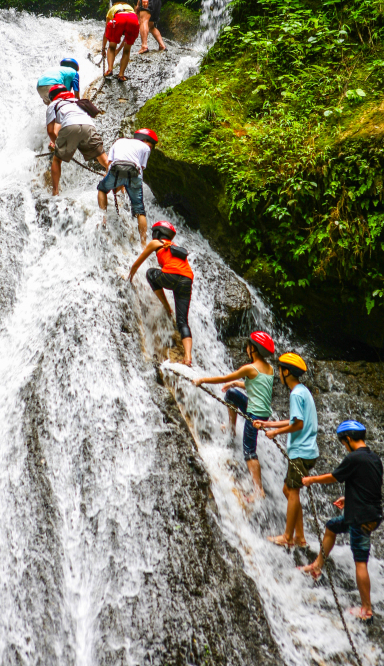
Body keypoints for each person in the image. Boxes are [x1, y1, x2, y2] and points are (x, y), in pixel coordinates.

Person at [298, 419, 383, 622]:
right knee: (331, 526)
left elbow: (334, 477)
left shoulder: (354, 458)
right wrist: (349, 498)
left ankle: (366, 609)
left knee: (360, 562)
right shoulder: (374, 458)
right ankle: (317, 566)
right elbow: (369, 485)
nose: (343, 446)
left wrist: (311, 479)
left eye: (343, 442)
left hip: (360, 519)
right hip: (370, 513)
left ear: (348, 439)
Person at [193, 331, 275, 501]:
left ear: (253, 349)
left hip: (255, 416)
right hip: (262, 412)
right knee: (231, 394)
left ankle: (258, 490)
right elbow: (256, 387)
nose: (246, 348)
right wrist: (236, 384)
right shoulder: (269, 368)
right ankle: (231, 427)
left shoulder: (249, 368)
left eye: (248, 346)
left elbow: (224, 377)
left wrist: (202, 380)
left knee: (249, 452)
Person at [254, 353, 318, 548]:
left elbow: (297, 425)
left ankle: (288, 537)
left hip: (301, 452)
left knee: (292, 492)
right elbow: (294, 420)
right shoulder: (302, 391)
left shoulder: (296, 394)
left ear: (286, 372)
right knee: (287, 489)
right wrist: (269, 424)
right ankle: (300, 537)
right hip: (306, 451)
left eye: (280, 370)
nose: (279, 374)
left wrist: (276, 433)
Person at [128, 220, 194, 366]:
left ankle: (165, 305)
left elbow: (138, 262)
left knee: (151, 273)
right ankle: (188, 358)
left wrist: (130, 276)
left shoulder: (156, 243)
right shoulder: (175, 247)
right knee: (183, 321)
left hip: (170, 276)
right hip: (187, 280)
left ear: (157, 232)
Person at [97, 129, 158, 245]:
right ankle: (143, 244)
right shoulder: (145, 148)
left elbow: (110, 164)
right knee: (139, 209)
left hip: (116, 171)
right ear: (145, 140)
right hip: (134, 175)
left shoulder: (119, 141)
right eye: (151, 144)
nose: (151, 147)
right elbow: (141, 167)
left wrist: (114, 182)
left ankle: (103, 219)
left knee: (102, 189)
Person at [46, 84, 108, 195]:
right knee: (102, 156)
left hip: (70, 126)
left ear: (52, 97)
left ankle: (55, 191)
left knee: (57, 159)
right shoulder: (76, 101)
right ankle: (115, 182)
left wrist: (56, 144)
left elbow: (50, 131)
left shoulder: (53, 104)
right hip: (89, 126)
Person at [102, 0, 140, 81]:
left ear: (113, 1)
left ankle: (110, 69)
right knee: (127, 50)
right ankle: (121, 75)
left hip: (119, 18)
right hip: (133, 19)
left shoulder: (113, 9)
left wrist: (103, 48)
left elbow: (106, 30)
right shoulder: (130, 8)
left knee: (111, 47)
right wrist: (120, 49)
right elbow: (126, 38)